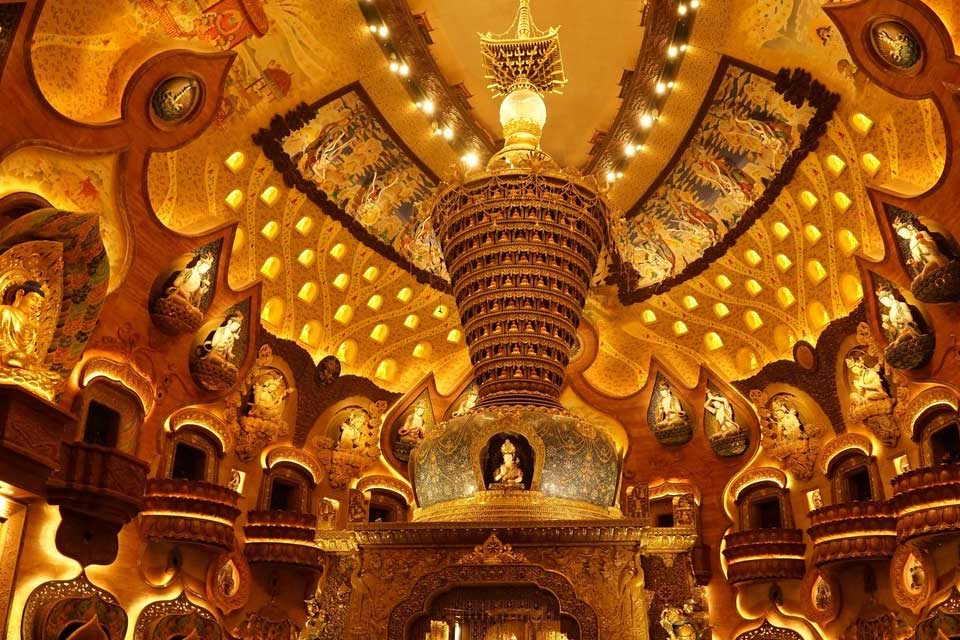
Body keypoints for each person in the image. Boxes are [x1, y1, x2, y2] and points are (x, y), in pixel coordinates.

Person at [0, 281, 45, 369]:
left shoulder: (32, 326)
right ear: (20, 294)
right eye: (34, 299)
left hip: (20, 361)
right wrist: (7, 353)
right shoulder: (5, 312)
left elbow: (29, 352)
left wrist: (29, 357)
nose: (37, 305)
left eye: (40, 304)